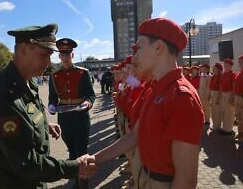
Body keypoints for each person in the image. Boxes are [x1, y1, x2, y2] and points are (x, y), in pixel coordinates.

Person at [87, 18, 204, 189]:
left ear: (158, 47)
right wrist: (96, 158)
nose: (133, 58)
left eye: (139, 48)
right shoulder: (155, 89)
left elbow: (185, 180)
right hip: (145, 177)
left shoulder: (182, 97)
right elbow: (135, 135)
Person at [0, 24, 95, 189]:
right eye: (44, 55)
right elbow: (26, 162)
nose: (49, 63)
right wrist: (74, 167)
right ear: (23, 49)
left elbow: (27, 115)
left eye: (50, 56)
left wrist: (43, 125)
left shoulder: (27, 82)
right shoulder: (4, 95)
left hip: (33, 180)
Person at [48, 38, 95, 189]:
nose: (66, 56)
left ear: (72, 55)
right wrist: (51, 106)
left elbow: (91, 95)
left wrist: (87, 104)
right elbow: (52, 99)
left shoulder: (83, 73)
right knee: (72, 153)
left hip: (81, 118)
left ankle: (83, 184)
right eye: (63, 53)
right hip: (65, 119)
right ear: (59, 56)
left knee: (82, 153)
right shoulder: (54, 76)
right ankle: (76, 180)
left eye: (68, 53)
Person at [219, 58, 236, 135]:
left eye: (228, 65)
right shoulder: (223, 74)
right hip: (223, 94)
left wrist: (232, 97)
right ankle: (224, 127)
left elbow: (234, 86)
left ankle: (229, 129)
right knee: (223, 111)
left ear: (231, 66)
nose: (226, 67)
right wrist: (220, 95)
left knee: (229, 112)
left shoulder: (232, 75)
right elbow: (221, 85)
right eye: (225, 65)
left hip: (229, 94)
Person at [234, 55, 243, 142]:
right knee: (239, 117)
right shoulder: (239, 73)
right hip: (237, 97)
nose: (241, 64)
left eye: (242, 62)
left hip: (242, 97)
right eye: (240, 62)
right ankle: (240, 133)